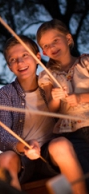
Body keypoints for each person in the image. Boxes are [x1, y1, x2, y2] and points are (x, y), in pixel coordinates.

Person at [0, 35, 87, 193]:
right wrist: (24, 146)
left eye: (25, 55)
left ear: (37, 57)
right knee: (4, 158)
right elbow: (1, 135)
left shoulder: (51, 84)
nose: (20, 62)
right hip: (22, 156)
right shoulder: (5, 94)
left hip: (50, 155)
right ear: (9, 66)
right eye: (13, 59)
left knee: (61, 144)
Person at [36, 18, 89, 190]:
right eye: (45, 46)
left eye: (55, 41)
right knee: (84, 175)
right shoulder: (47, 76)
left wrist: (80, 98)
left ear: (68, 39)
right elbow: (51, 110)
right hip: (71, 134)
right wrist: (56, 97)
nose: (51, 48)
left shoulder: (86, 62)